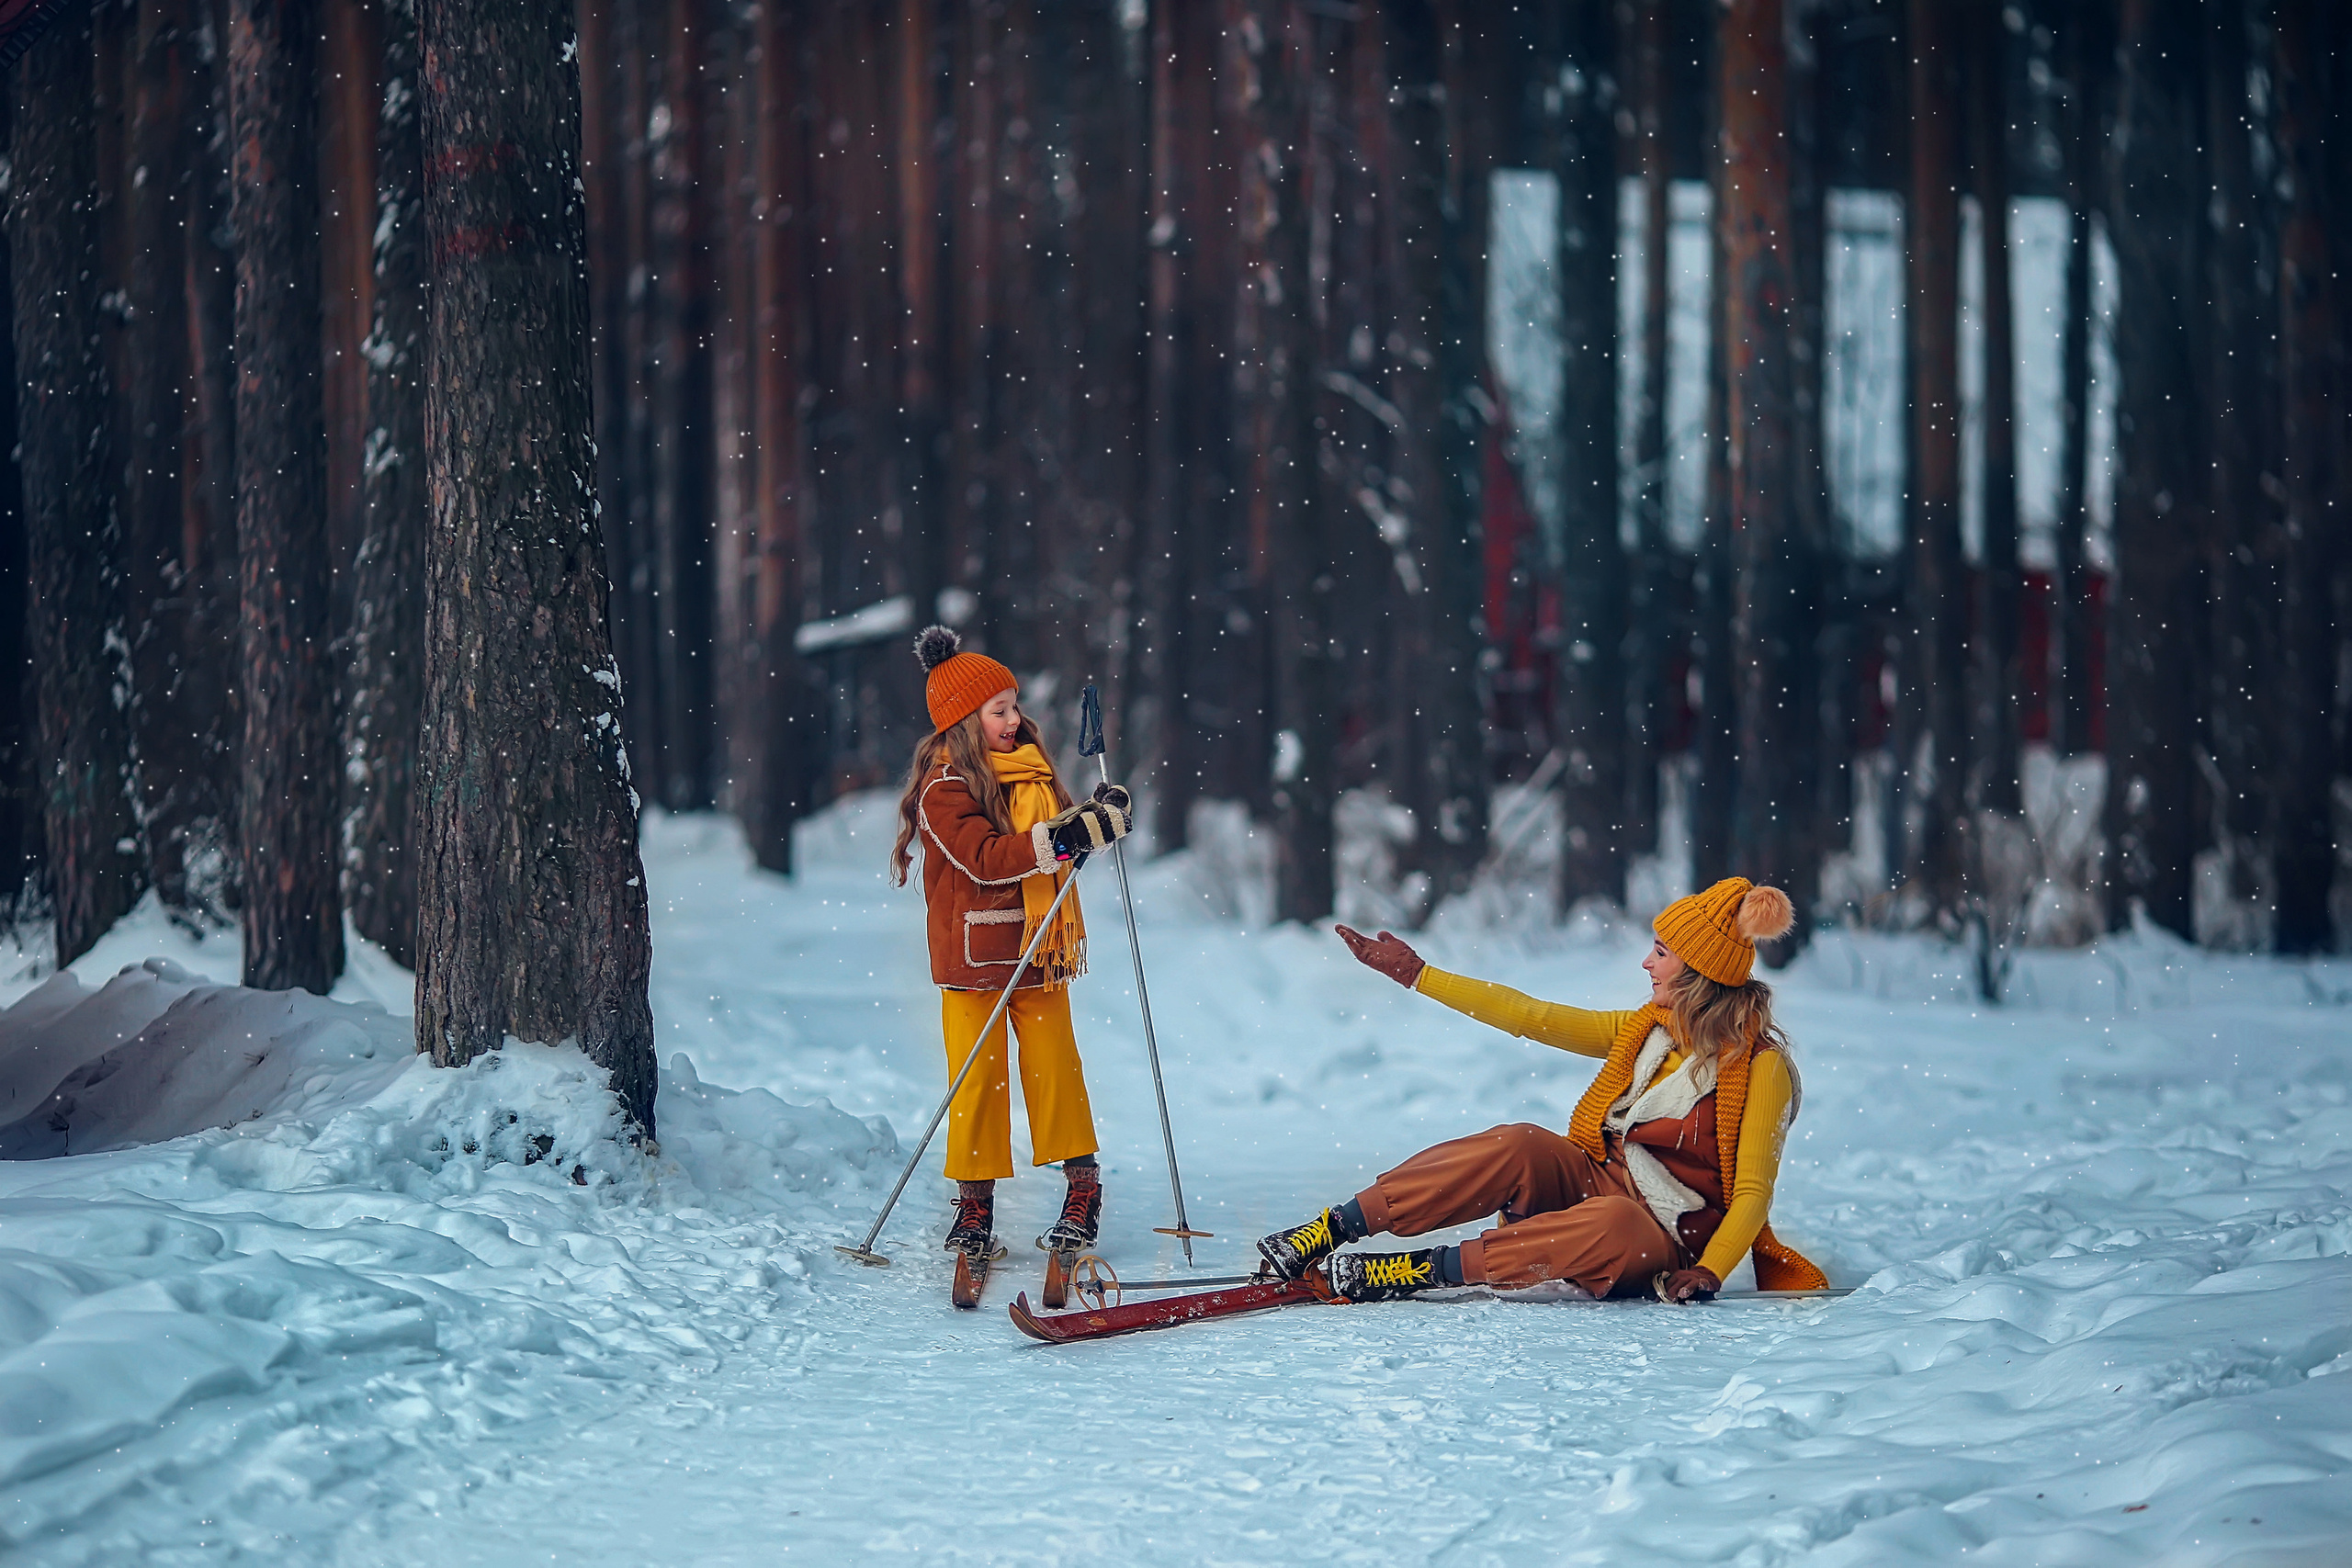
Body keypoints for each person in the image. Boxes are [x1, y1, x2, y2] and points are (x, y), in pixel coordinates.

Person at [1256, 879, 1827, 1304]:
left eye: (1661, 951)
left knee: (1617, 1222)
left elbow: (1752, 1194)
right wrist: (1419, 975)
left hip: (1663, 1236)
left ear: (1697, 972)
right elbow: (1533, 1016)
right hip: (1598, 1186)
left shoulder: (1759, 1068)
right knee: (1522, 1142)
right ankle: (1335, 1227)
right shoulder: (1646, 1030)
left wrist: (1711, 1270)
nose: (1646, 961)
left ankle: (1422, 1269)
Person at [888, 626, 1135, 1265]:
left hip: (1037, 949)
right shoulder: (944, 788)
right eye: (999, 709)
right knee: (977, 1084)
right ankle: (975, 1207)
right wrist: (1066, 833)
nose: (1014, 718)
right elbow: (989, 857)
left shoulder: (1031, 770)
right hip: (971, 961)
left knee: (1055, 1072)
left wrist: (1098, 815)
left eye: (1014, 705)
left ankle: (1083, 1193)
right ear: (966, 721)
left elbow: (1058, 831)